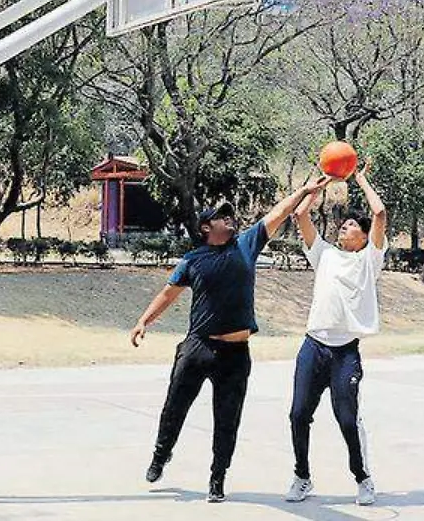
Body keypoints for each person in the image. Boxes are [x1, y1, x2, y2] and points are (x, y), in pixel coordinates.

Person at [130, 177, 331, 503]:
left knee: (227, 420)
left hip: (235, 354)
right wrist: (143, 321)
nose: (230, 219)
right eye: (222, 217)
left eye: (231, 216)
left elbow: (279, 213)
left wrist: (305, 191)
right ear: (207, 226)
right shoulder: (193, 260)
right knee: (174, 408)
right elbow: (168, 295)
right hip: (197, 347)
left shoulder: (246, 244)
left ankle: (217, 479)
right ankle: (160, 454)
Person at [285, 164, 388, 506]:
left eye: (351, 226)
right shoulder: (324, 254)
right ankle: (302, 476)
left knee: (347, 420)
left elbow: (379, 212)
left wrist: (358, 177)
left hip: (345, 354)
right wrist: (322, 180)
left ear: (363, 237)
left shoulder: (369, 261)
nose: (344, 228)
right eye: (342, 225)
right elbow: (300, 214)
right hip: (312, 346)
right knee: (298, 414)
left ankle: (363, 477)